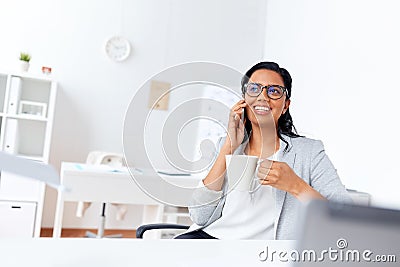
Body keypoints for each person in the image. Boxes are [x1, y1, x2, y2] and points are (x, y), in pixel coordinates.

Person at [176, 62, 351, 240]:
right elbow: (199, 215)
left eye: (274, 91)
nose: (263, 97)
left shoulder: (309, 152)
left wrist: (295, 185)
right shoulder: (227, 145)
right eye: (254, 89)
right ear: (244, 99)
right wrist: (228, 147)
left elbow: (345, 217)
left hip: (261, 253)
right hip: (210, 240)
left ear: (285, 106)